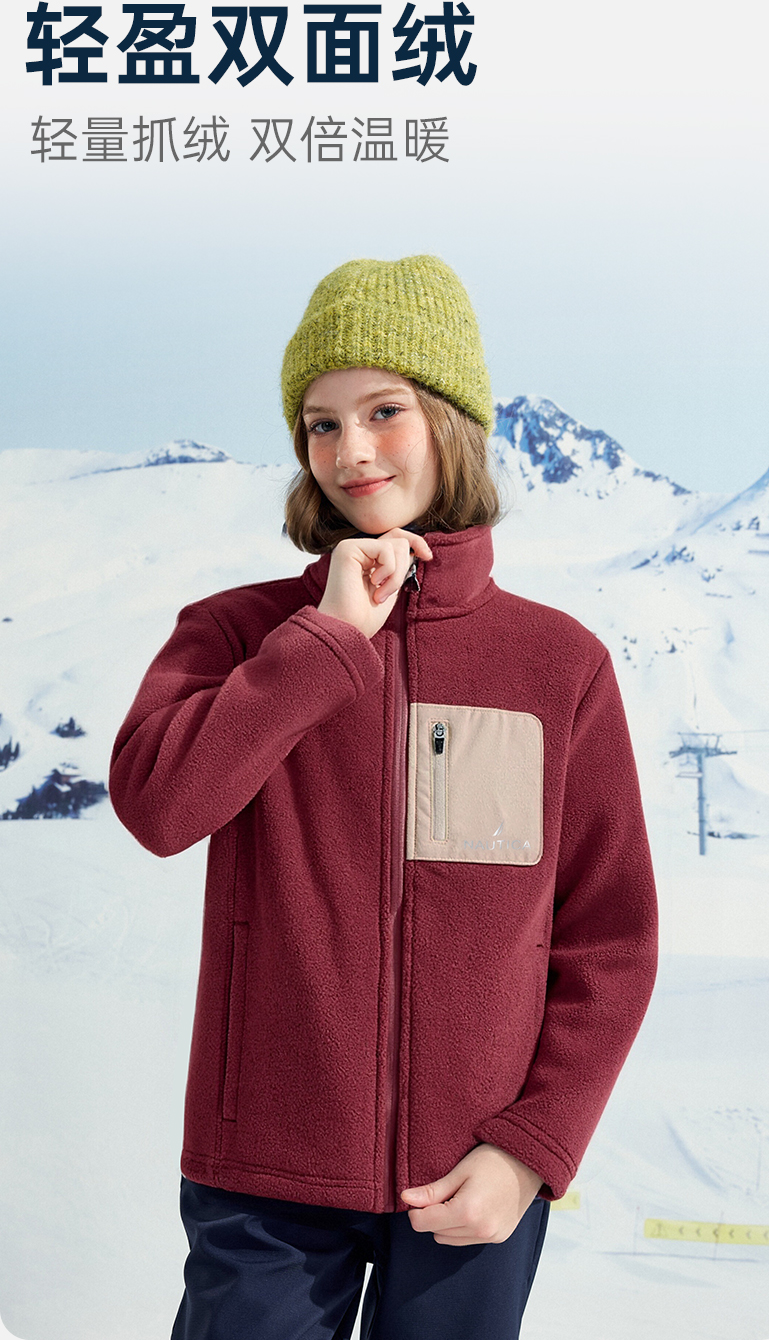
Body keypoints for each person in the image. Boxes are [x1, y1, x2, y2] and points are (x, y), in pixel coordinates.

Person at [109, 255, 659, 1340]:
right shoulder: (237, 633)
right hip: (264, 1180)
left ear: (451, 418)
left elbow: (609, 939)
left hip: (472, 1178)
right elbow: (160, 805)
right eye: (320, 424)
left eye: (384, 411)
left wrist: (530, 1149)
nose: (350, 450)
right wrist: (322, 642)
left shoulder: (559, 665)